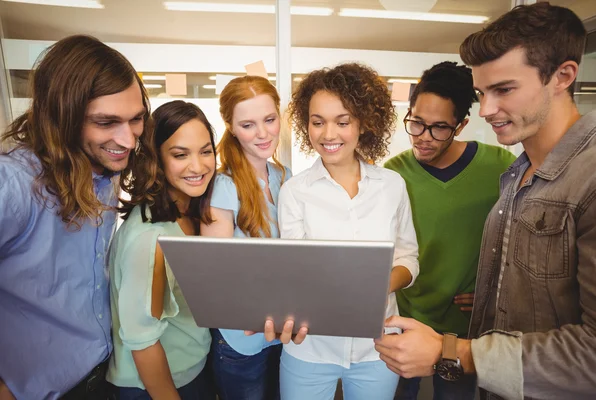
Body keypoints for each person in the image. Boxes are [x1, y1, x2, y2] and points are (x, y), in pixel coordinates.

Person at [375, 3, 596, 399]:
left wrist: (456, 352)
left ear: (563, 76)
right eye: (482, 92)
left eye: (504, 89)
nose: (487, 109)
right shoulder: (516, 176)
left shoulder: (591, 180)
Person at [0, 35, 148, 400]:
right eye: (106, 122)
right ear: (61, 116)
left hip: (101, 374)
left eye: (136, 119)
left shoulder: (102, 166)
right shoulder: (14, 184)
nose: (127, 140)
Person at [277, 63, 420, 400]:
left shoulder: (392, 186)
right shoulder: (295, 192)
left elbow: (408, 258)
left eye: (342, 122)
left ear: (363, 125)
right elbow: (295, 269)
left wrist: (378, 286)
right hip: (310, 347)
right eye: (317, 122)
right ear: (305, 124)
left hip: (379, 346)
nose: (329, 134)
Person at [383, 61, 515, 400]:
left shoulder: (500, 167)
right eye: (416, 123)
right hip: (405, 317)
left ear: (461, 125)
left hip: (462, 327)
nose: (423, 138)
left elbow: (517, 241)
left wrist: (494, 292)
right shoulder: (393, 174)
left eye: (439, 128)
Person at [200, 75, 306, 400]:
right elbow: (215, 273)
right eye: (248, 125)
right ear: (231, 127)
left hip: (282, 334)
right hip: (242, 340)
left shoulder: (285, 177)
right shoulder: (224, 186)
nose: (262, 133)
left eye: (269, 120)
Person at [106, 101, 217, 399]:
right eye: (181, 155)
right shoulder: (149, 238)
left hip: (192, 367)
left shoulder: (190, 211)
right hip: (157, 386)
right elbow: (142, 341)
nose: (198, 166)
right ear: (156, 159)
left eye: (206, 151)